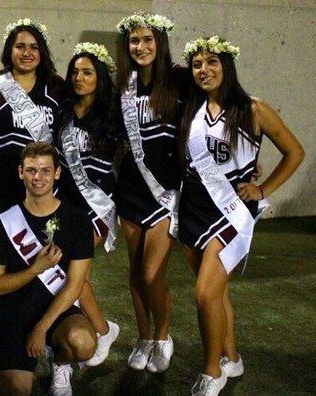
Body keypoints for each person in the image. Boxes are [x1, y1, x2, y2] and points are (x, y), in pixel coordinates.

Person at [178, 36, 304, 396]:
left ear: (227, 66)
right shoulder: (191, 108)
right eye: (198, 64)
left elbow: (294, 152)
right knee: (216, 293)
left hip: (230, 211)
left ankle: (211, 369)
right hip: (193, 209)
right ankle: (232, 358)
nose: (204, 70)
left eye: (212, 62)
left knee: (204, 294)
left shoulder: (254, 109)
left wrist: (263, 190)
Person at [0, 142, 97, 396]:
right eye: (32, 170)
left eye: (45, 170)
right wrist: (36, 268)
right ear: (20, 172)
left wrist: (42, 327)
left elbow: (75, 285)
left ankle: (59, 361)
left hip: (59, 315)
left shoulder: (78, 221)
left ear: (57, 173)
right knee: (12, 391)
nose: (38, 177)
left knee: (84, 343)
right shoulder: (3, 223)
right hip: (15, 317)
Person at [113, 12, 184, 373]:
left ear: (160, 43)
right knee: (135, 270)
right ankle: (143, 337)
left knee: (153, 272)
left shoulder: (180, 80)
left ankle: (163, 337)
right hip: (130, 189)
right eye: (134, 41)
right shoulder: (121, 85)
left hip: (166, 190)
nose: (140, 47)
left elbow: (222, 105)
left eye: (147, 40)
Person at [55, 42, 121, 366]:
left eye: (87, 72)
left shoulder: (113, 115)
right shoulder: (62, 111)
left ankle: (101, 329)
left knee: (70, 270)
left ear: (100, 78)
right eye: (75, 72)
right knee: (67, 271)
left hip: (96, 208)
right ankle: (99, 328)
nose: (79, 78)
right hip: (64, 206)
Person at [0, 18, 66, 212]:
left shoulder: (56, 86)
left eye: (34, 47)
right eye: (20, 46)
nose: (27, 53)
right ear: (9, 51)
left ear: (41, 52)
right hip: (4, 180)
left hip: (42, 180)